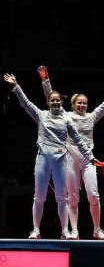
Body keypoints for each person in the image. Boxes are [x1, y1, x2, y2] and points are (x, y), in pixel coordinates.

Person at [3, 72, 97, 240]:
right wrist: (16, 86)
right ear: (48, 102)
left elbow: (78, 140)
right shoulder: (41, 115)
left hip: (60, 159)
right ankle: (36, 230)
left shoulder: (67, 119)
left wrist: (90, 157)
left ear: (61, 103)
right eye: (52, 100)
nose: (55, 102)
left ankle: (65, 231)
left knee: (62, 197)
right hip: (43, 158)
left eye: (58, 100)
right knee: (39, 196)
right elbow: (25, 103)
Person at [38, 65, 104, 240]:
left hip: (88, 158)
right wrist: (46, 81)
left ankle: (97, 229)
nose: (82, 105)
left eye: (84, 103)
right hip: (69, 157)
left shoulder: (91, 117)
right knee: (72, 197)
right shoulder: (66, 116)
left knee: (93, 194)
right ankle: (74, 230)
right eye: (79, 103)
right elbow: (52, 97)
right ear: (73, 105)